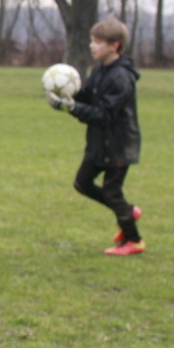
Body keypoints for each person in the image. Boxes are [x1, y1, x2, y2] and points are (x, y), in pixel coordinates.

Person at [47, 16, 144, 255]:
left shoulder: (121, 77)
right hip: (100, 142)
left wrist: (71, 108)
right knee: (82, 183)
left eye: (98, 42)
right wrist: (68, 94)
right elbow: (90, 96)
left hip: (119, 144)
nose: (92, 46)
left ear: (115, 46)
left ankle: (134, 240)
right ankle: (127, 211)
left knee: (112, 192)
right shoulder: (101, 68)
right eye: (92, 41)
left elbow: (104, 114)